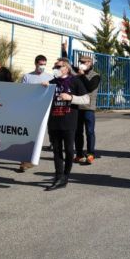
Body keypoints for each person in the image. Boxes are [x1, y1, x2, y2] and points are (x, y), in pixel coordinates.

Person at [45, 59, 90, 191]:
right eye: (55, 66)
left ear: (66, 68)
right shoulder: (52, 82)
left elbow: (86, 99)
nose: (55, 68)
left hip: (68, 121)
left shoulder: (75, 81)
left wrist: (71, 98)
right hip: (54, 121)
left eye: (58, 66)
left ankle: (66, 175)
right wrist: (43, 87)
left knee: (69, 150)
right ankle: (58, 176)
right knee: (57, 150)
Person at [18, 55, 53, 173]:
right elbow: (22, 93)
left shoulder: (50, 77)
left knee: (39, 136)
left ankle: (32, 159)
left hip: (44, 111)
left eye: (44, 64)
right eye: (40, 64)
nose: (42, 66)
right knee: (27, 135)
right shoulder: (27, 77)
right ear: (35, 64)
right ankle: (25, 160)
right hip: (30, 110)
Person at [75, 55, 101, 165]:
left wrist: (82, 76)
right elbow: (66, 65)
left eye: (84, 62)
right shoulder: (77, 73)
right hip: (77, 106)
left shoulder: (96, 75)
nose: (81, 63)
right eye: (80, 61)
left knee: (89, 131)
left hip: (88, 107)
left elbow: (90, 87)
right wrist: (64, 51)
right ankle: (79, 154)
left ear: (90, 63)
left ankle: (90, 153)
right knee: (78, 132)